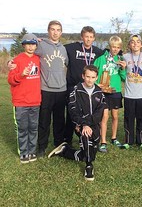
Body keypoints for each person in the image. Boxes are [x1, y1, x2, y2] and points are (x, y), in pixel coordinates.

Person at [48, 65, 107, 181]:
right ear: (83, 76)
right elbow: (73, 110)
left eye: (93, 77)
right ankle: (89, 167)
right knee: (86, 136)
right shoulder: (75, 91)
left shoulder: (99, 92)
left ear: (96, 78)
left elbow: (99, 112)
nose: (90, 80)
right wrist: (83, 124)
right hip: (80, 126)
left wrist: (89, 124)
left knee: (89, 152)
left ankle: (65, 151)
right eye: (88, 77)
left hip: (94, 125)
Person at [64, 26, 104, 146]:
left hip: (87, 88)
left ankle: (86, 135)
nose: (88, 39)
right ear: (82, 37)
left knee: (86, 112)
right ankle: (67, 139)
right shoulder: (72, 47)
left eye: (91, 37)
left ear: (94, 38)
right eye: (86, 36)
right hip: (72, 86)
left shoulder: (97, 51)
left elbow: (108, 52)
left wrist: (121, 53)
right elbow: (57, 47)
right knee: (71, 113)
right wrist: (42, 42)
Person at [35, 20, 68, 157]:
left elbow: (67, 64)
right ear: (48, 31)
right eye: (53, 29)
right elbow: (27, 54)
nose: (55, 32)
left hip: (61, 89)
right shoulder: (41, 46)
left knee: (59, 120)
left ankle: (58, 144)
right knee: (44, 120)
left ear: (61, 32)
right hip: (46, 89)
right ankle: (42, 147)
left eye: (58, 30)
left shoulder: (63, 49)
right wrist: (11, 62)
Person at [7, 33, 41, 163]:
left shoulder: (38, 59)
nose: (31, 47)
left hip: (35, 101)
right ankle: (23, 152)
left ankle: (32, 152)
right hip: (20, 102)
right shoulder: (17, 60)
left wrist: (40, 40)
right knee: (22, 128)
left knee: (33, 128)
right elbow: (10, 80)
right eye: (28, 44)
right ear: (23, 45)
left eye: (33, 44)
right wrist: (20, 75)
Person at [94, 35, 126, 152]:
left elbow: (123, 78)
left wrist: (123, 69)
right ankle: (103, 141)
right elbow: (94, 73)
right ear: (110, 46)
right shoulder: (101, 58)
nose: (115, 49)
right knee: (104, 116)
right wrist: (97, 84)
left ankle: (114, 137)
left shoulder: (121, 59)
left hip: (115, 91)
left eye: (118, 47)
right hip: (103, 92)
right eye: (113, 47)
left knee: (115, 116)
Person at [121, 34, 142, 149]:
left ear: (141, 44)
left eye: (138, 42)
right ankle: (128, 140)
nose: (135, 44)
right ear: (129, 45)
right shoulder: (125, 57)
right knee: (128, 118)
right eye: (132, 42)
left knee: (141, 118)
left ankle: (141, 141)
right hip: (129, 94)